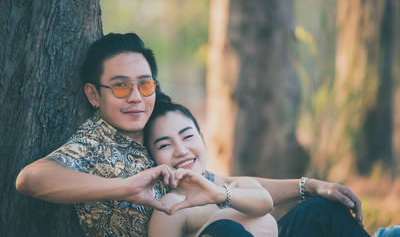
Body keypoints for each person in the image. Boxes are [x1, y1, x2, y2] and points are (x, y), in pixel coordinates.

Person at [15, 32, 369, 236]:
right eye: (120, 88)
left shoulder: (157, 127)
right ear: (94, 94)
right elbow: (30, 178)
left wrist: (311, 186)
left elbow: (227, 181)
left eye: (144, 84)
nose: (136, 97)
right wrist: (125, 187)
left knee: (323, 210)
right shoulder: (96, 143)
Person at [143, 99, 278, 236]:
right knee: (225, 228)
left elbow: (266, 203)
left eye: (188, 136)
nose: (181, 151)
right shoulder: (173, 204)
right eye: (164, 145)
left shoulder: (236, 186)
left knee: (301, 212)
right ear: (152, 159)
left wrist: (218, 194)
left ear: (202, 139)